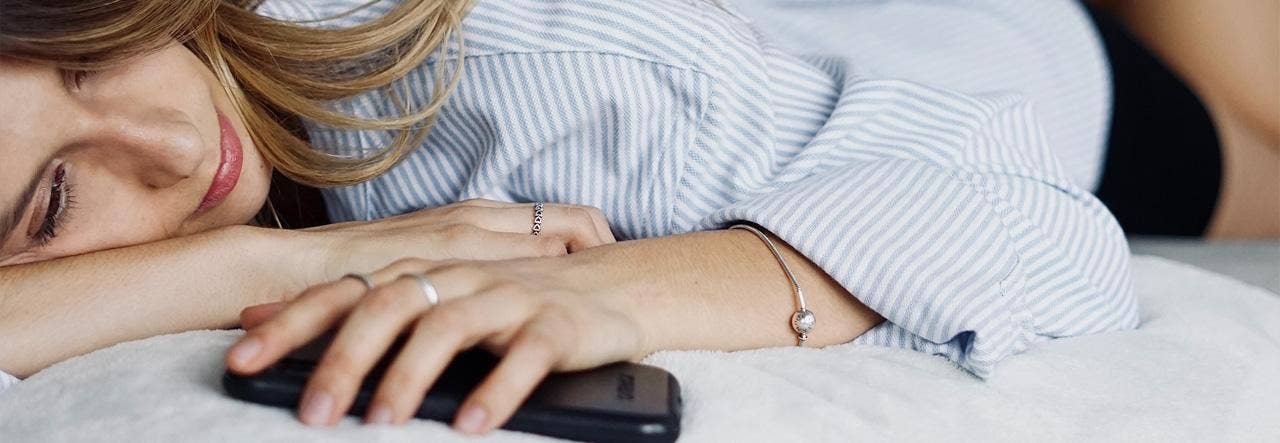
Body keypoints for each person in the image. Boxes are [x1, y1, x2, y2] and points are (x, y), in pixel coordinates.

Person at [0, 0, 1140, 436]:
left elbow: (1039, 220)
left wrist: (616, 288)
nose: (180, 143)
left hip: (1005, 51)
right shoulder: (220, 175)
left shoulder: (502, 84)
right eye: (54, 198)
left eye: (98, 54)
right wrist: (274, 260)